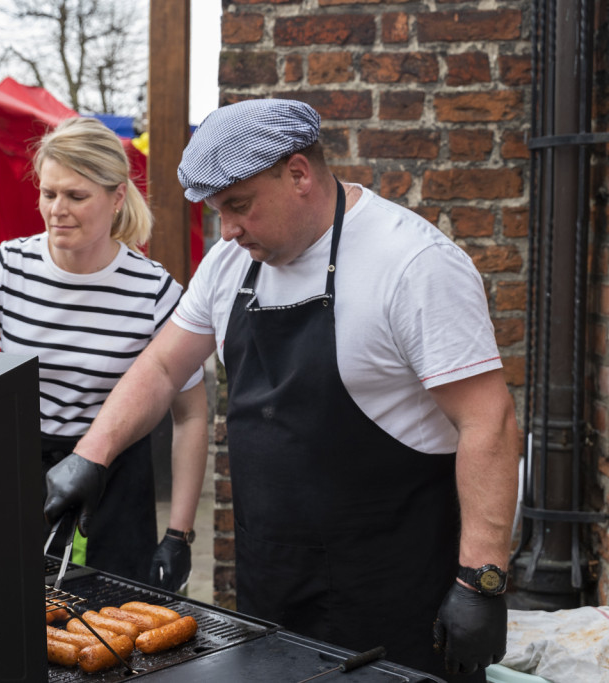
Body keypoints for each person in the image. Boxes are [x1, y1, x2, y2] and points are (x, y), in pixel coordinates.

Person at [43, 99, 519, 680]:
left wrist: (482, 580)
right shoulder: (229, 264)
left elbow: (488, 420)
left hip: (394, 590)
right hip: (272, 582)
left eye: (239, 206)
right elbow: (165, 366)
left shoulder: (412, 263)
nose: (229, 229)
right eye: (219, 211)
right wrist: (92, 454)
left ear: (298, 174)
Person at [0, 117, 207, 585]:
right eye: (49, 193)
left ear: (117, 197)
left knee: (114, 626)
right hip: (21, 472)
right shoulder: (6, 266)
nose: (57, 209)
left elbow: (192, 415)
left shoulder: (154, 290)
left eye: (77, 196)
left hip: (118, 479)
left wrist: (179, 535)